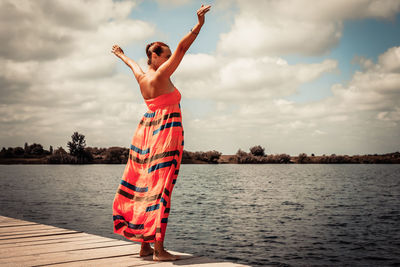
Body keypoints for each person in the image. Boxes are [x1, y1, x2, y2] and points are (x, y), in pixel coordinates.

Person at [111, 4, 211, 261]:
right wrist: (198, 25)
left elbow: (131, 63)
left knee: (146, 187)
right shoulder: (162, 73)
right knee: (162, 190)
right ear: (155, 57)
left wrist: (120, 54)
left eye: (167, 56)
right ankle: (158, 250)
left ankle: (144, 246)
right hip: (165, 133)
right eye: (165, 55)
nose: (169, 59)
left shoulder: (142, 77)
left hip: (146, 133)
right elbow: (183, 47)